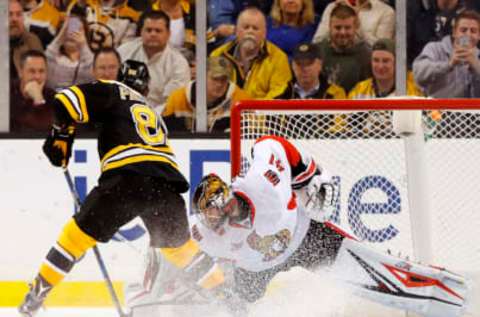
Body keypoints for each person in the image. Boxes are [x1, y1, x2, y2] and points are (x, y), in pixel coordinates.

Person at [18, 60, 225, 317]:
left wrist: (62, 133)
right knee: (180, 249)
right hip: (166, 185)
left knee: (75, 237)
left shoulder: (111, 89)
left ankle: (34, 298)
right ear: (146, 88)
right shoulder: (152, 113)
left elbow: (64, 100)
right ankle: (228, 298)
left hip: (127, 178)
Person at [190, 136, 469, 317]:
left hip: (307, 239)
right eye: (207, 215)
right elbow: (179, 250)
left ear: (226, 201)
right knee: (232, 309)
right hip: (255, 270)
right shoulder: (204, 232)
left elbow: (268, 143)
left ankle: (455, 301)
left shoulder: (263, 181)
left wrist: (309, 174)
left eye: (212, 211)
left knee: (375, 272)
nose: (210, 220)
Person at [210, 7, 292, 99]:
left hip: (261, 112)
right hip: (227, 112)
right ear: (236, 31)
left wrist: (249, 111)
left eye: (255, 28)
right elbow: (212, 92)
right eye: (246, 27)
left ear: (264, 33)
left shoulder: (278, 58)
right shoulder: (218, 55)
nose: (250, 31)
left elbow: (278, 96)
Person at [118, 10, 190, 113]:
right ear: (141, 32)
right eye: (148, 30)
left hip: (160, 119)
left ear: (168, 34)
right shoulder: (124, 52)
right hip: (122, 113)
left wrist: (144, 116)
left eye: (158, 31)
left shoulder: (178, 63)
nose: (153, 34)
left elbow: (171, 102)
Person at [162, 56, 251, 133]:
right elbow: (164, 133)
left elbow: (251, 135)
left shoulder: (241, 100)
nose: (219, 84)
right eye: (215, 79)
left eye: (224, 79)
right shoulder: (178, 98)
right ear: (201, 77)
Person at [413, 10, 480, 98]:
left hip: (471, 110)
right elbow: (418, 74)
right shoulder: (435, 48)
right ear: (454, 32)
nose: (468, 34)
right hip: (436, 109)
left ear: (479, 35)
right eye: (463, 30)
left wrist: (476, 67)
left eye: (473, 31)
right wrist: (449, 64)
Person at [277, 42, 346, 99]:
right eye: (299, 64)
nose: (304, 68)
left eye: (309, 63)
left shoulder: (335, 94)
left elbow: (339, 115)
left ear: (320, 65)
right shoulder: (281, 92)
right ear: (292, 66)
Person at [10, 49, 56, 133]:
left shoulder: (52, 96)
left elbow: (46, 128)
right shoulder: (7, 92)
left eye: (41, 71)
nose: (37, 77)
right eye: (32, 71)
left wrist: (38, 99)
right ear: (20, 72)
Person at [313, 0, 395, 46]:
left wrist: (357, 25)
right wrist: (337, 22)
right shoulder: (333, 7)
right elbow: (317, 42)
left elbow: (382, 49)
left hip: (366, 67)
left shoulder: (386, 12)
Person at [45, 15, 95, 90]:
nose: (72, 34)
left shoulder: (89, 59)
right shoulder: (53, 57)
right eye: (68, 29)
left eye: (79, 29)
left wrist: (84, 46)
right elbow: (46, 60)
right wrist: (59, 38)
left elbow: (93, 74)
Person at [10, 0, 44, 81]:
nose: (14, 19)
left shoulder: (32, 41)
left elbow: (39, 78)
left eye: (18, 14)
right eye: (9, 14)